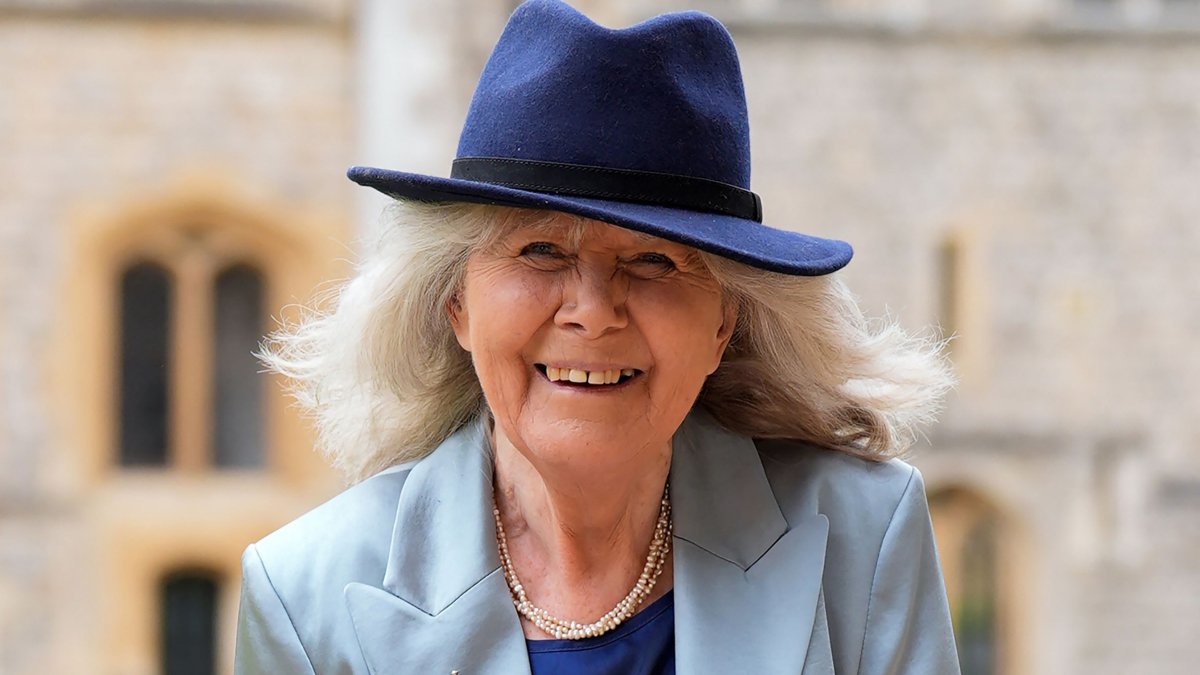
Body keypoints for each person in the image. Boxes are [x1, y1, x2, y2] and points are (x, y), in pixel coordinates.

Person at [234, 1, 961, 673]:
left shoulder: (863, 539)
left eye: (653, 260)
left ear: (723, 324)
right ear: (456, 303)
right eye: (541, 251)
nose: (593, 310)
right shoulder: (304, 599)